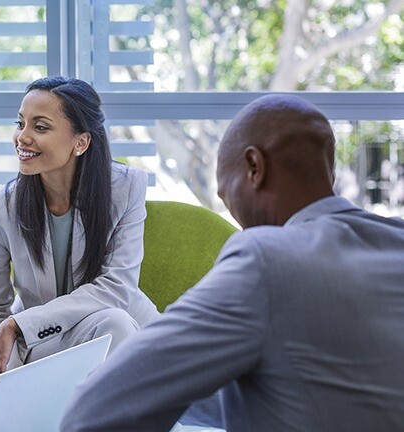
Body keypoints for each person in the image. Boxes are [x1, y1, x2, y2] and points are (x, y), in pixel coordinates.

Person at [61, 94, 404, 431]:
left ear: (255, 167)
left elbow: (92, 413)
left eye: (227, 193)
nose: (235, 216)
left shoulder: (265, 258)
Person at [0, 76, 160, 391]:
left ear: (81, 142)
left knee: (114, 323)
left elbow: (115, 289)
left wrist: (20, 323)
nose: (23, 137)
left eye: (40, 127)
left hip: (124, 334)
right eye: (20, 123)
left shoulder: (127, 189)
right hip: (46, 344)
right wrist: (9, 376)